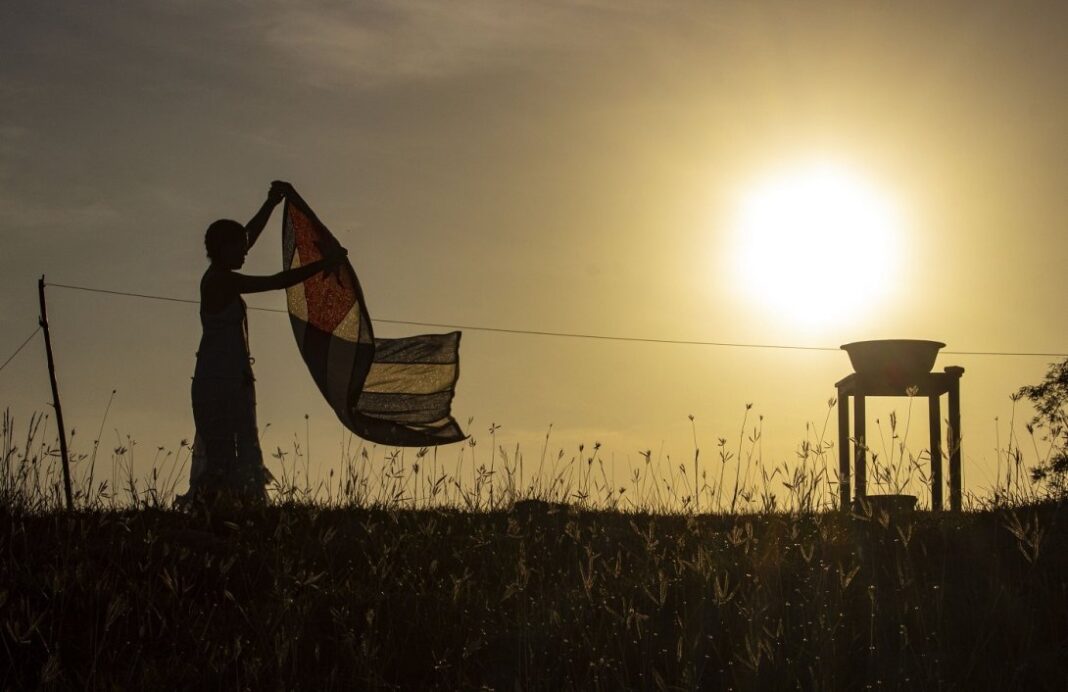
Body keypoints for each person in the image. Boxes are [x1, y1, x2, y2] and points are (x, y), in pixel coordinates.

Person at [182, 181, 346, 506]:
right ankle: (218, 510)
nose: (246, 251)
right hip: (218, 381)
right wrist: (322, 265)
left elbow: (247, 236)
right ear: (223, 248)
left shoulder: (220, 272)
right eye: (239, 248)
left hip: (232, 378)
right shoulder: (220, 280)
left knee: (238, 446)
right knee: (222, 451)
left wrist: (271, 203)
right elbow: (275, 282)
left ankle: (238, 508)